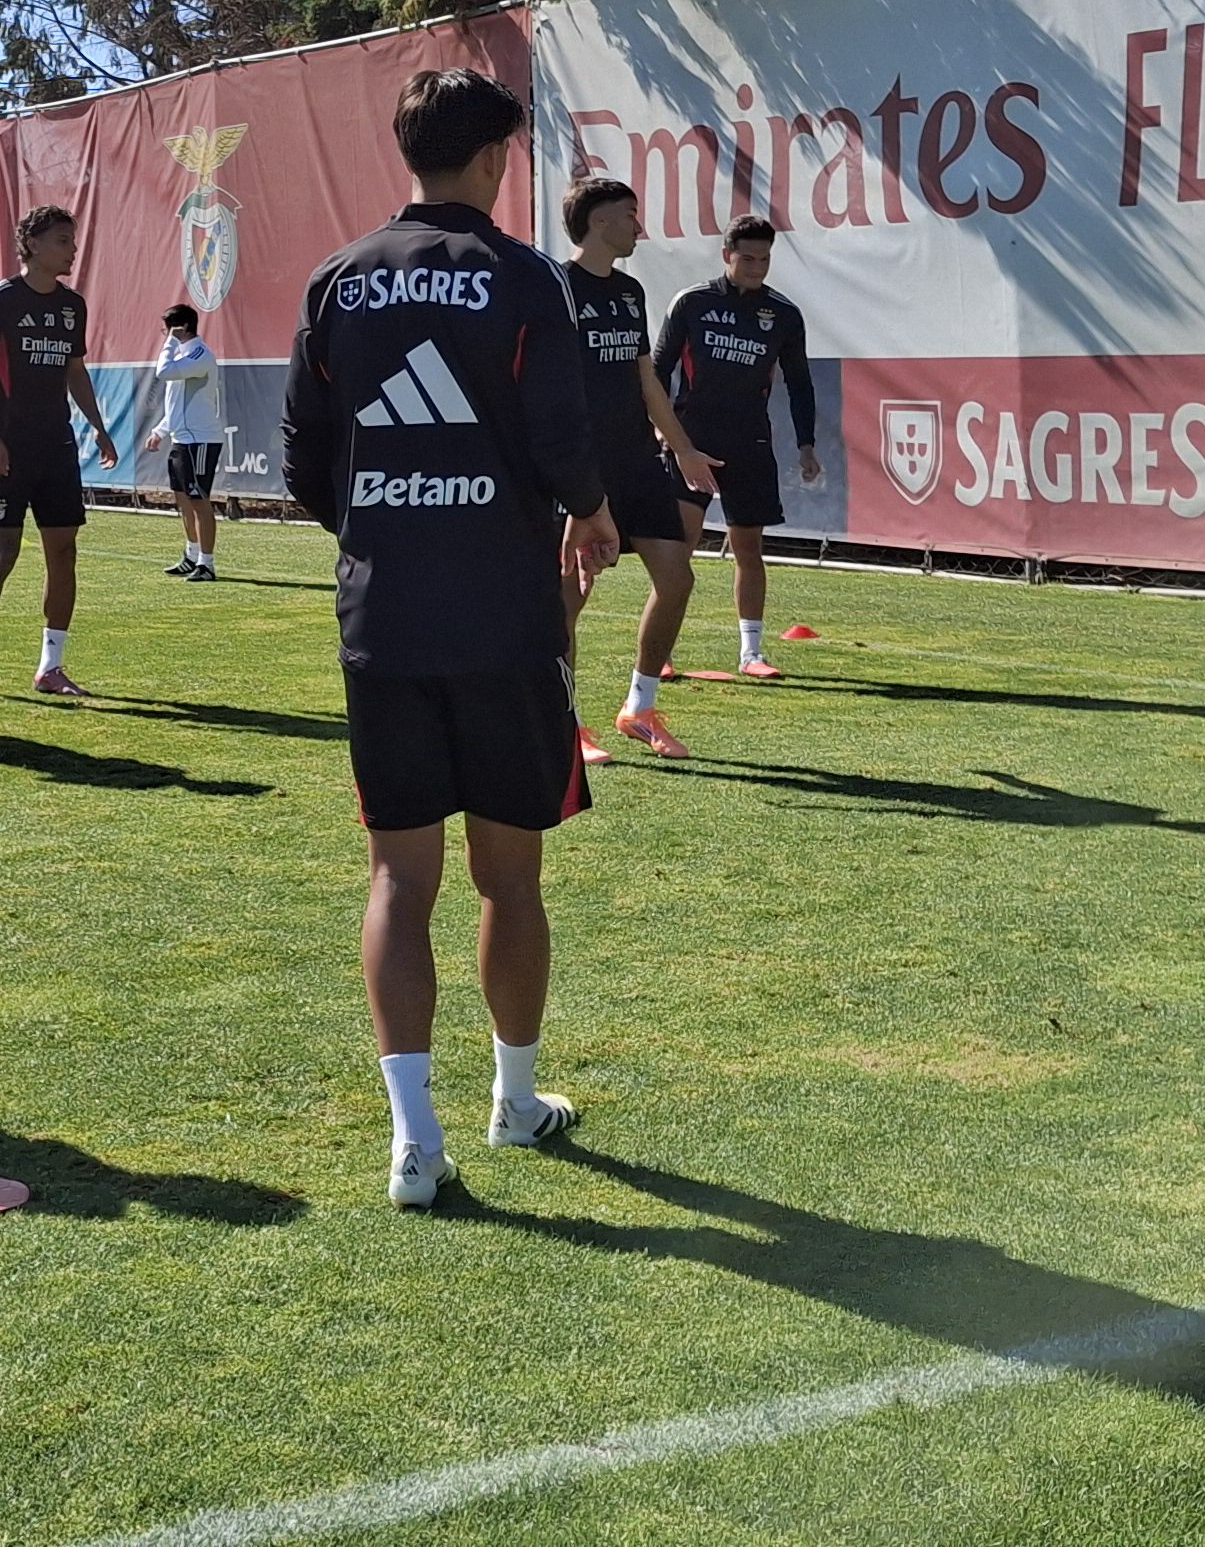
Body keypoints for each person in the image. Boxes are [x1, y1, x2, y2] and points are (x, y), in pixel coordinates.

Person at [283, 70, 605, 1209]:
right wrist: (588, 511)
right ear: (493, 159)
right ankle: (515, 1103)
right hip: (507, 621)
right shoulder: (523, 279)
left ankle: (412, 1140)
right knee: (508, 878)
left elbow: (302, 462)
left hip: (386, 621)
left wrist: (387, 533)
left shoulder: (336, 280)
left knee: (397, 876)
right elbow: (564, 436)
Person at [554, 177, 721, 761]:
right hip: (582, 469)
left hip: (637, 462)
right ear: (598, 222)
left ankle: (639, 708)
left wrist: (683, 449)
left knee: (677, 579)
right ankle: (565, 725)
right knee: (569, 596)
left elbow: (646, 378)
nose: (638, 227)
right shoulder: (556, 288)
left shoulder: (629, 291)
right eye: (629, 215)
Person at [0, 206, 119, 698]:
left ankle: (51, 667)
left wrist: (98, 426)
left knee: (64, 554)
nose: (71, 249)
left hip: (57, 447)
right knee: (3, 554)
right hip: (10, 448)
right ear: (31, 244)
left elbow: (75, 371)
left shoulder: (74, 305)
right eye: (61, 241)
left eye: (72, 241)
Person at [657, 215, 819, 678]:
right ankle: (660, 652)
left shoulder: (784, 314)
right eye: (747, 257)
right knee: (679, 548)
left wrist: (806, 444)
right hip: (693, 440)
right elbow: (658, 368)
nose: (756, 267)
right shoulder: (692, 302)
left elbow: (800, 383)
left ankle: (751, 654)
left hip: (749, 441)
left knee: (749, 548)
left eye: (764, 258)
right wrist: (665, 432)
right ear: (727, 255)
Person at [150, 302, 226, 580]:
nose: (164, 335)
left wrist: (170, 341)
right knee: (183, 500)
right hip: (181, 440)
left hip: (201, 440)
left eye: (167, 329)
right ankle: (191, 555)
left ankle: (207, 564)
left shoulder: (199, 355)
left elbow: (163, 372)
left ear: (180, 328)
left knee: (199, 500)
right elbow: (177, 403)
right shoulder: (181, 356)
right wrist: (160, 430)